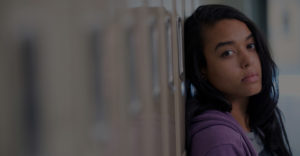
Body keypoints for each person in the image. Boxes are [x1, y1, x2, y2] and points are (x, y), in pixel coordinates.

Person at [184, 4, 292, 156]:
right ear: (202, 68)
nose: (247, 60)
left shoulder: (256, 117)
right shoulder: (219, 141)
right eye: (228, 53)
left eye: (250, 45)